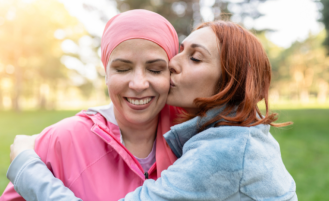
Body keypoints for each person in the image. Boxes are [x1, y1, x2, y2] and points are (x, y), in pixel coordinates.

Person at [4, 20, 297, 201]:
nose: (173, 64)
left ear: (229, 82)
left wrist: (26, 168)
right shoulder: (229, 134)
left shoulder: (227, 151)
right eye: (180, 51)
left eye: (194, 58)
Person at [0, 9, 179, 201]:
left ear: (172, 73)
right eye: (122, 69)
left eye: (155, 69)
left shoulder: (194, 140)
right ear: (106, 73)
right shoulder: (60, 140)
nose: (138, 83)